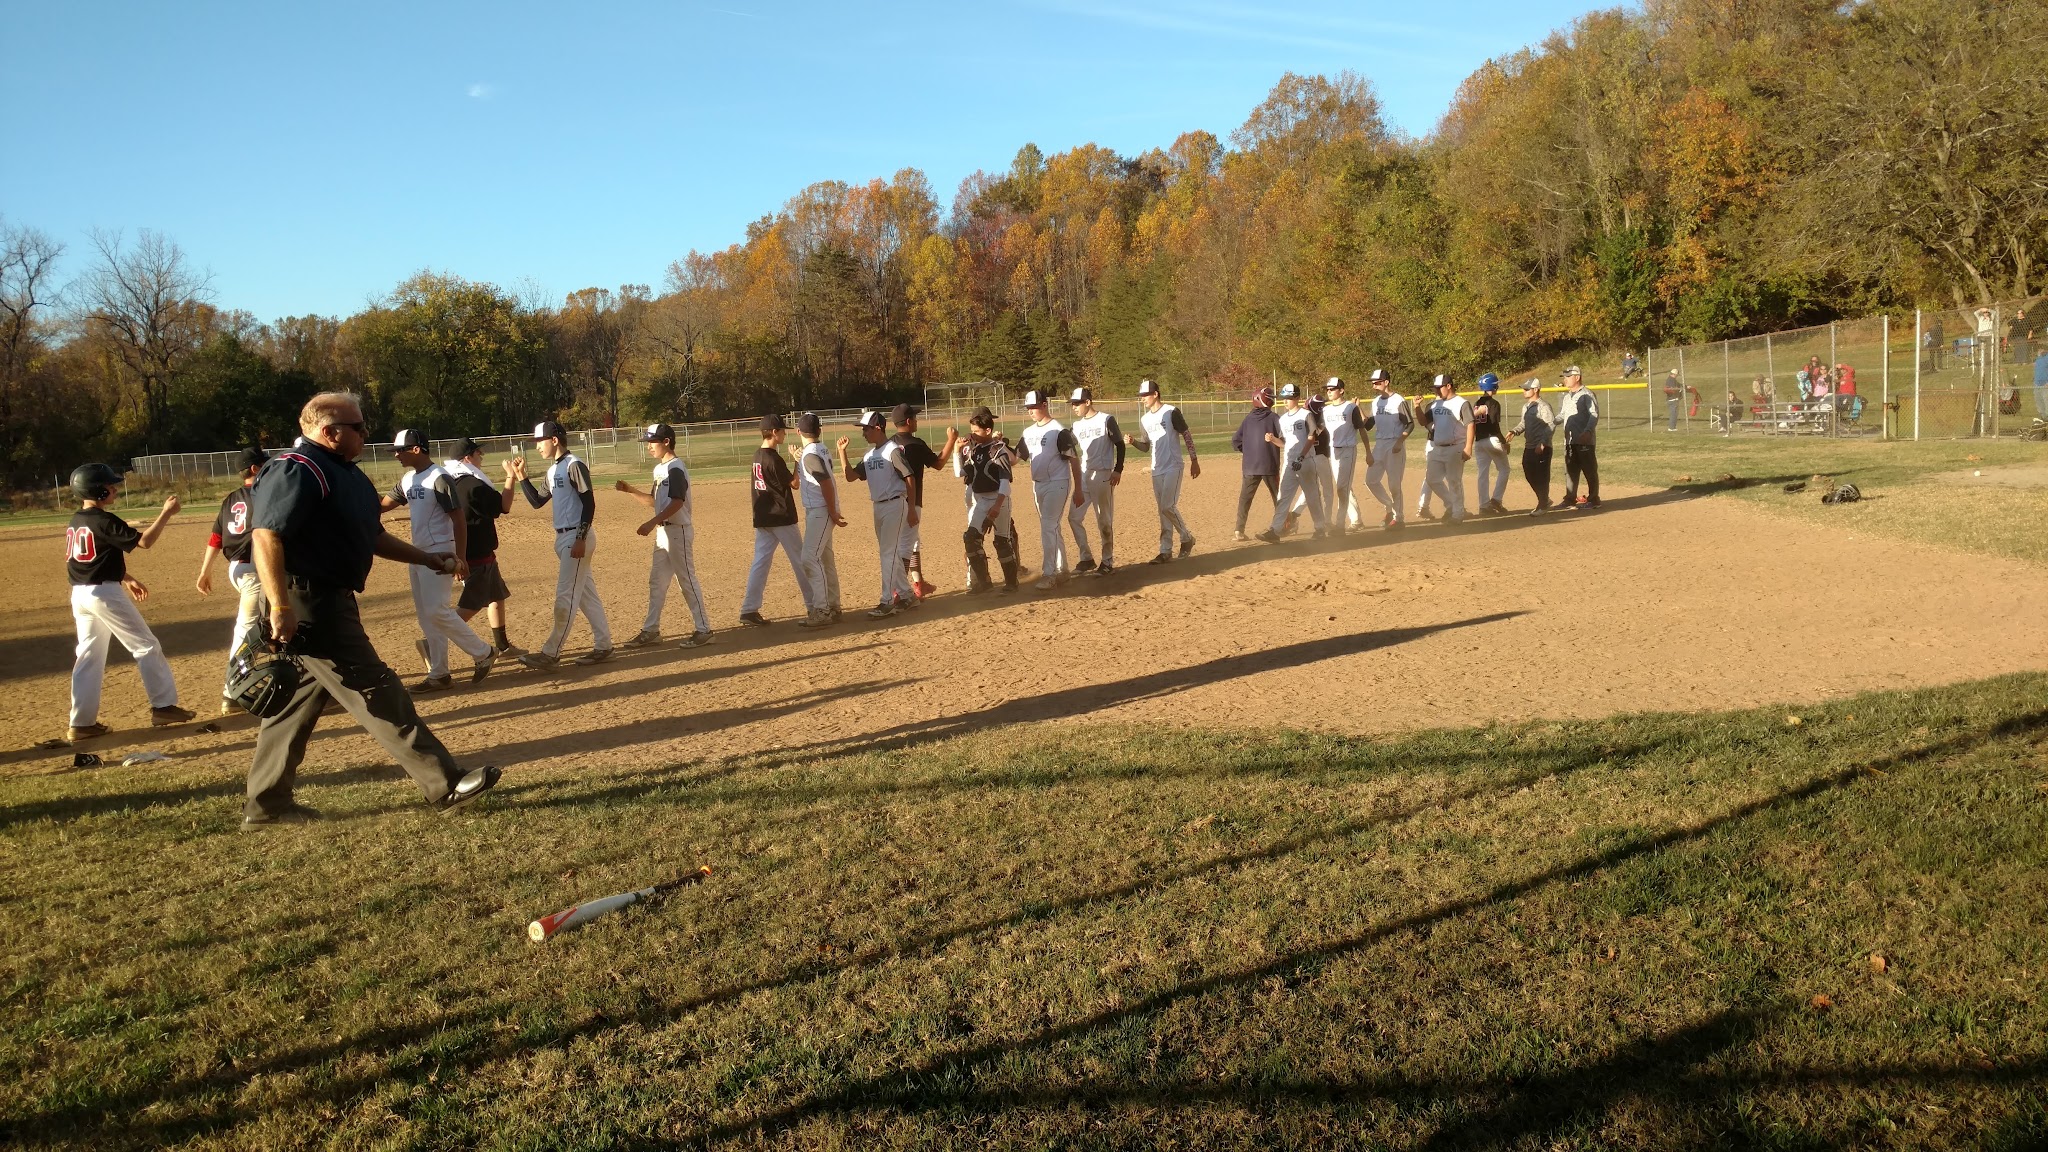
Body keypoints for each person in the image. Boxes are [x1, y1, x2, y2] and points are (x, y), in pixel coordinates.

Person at [243, 391, 499, 828]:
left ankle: (266, 806)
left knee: (293, 706)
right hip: (309, 601)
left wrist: (426, 558)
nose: (366, 433)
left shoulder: (344, 474)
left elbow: (373, 537)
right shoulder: (298, 469)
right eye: (358, 427)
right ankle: (444, 783)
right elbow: (267, 536)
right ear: (329, 432)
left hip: (329, 597)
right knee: (377, 689)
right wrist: (281, 605)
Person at [63, 464, 191, 741]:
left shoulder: (77, 520)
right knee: (146, 645)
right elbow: (144, 542)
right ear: (98, 490)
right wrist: (166, 513)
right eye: (110, 485)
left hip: (81, 595)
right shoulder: (103, 520)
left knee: (88, 656)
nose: (115, 489)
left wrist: (127, 577)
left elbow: (96, 558)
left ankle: (82, 723)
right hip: (105, 595)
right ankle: (164, 706)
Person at [379, 429, 495, 691]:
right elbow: (383, 504)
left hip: (441, 552)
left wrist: (461, 557)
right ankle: (439, 674)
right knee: (426, 617)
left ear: (417, 449)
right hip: (417, 553)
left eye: (401, 450)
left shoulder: (439, 477)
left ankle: (483, 652)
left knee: (436, 611)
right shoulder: (409, 479)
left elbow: (458, 518)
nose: (396, 455)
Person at [512, 421, 613, 668]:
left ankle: (551, 653)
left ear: (554, 440)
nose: (537, 447)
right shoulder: (552, 471)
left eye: (540, 441)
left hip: (576, 539)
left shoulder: (573, 465)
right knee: (587, 596)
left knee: (564, 597)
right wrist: (522, 477)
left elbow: (589, 503)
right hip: (563, 538)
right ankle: (604, 645)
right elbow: (537, 501)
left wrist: (580, 537)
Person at [615, 422, 717, 648]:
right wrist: (630, 490)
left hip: (678, 531)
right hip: (664, 532)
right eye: (648, 443)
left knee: (687, 580)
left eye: (652, 442)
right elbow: (654, 502)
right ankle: (651, 630)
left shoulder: (676, 468)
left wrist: (653, 522)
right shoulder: (659, 469)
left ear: (666, 442)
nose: (649, 447)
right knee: (657, 582)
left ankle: (704, 629)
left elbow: (677, 503)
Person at [195, 446, 268, 713]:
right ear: (254, 469)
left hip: (238, 568)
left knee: (273, 620)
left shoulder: (230, 499)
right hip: (254, 571)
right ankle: (233, 691)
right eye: (265, 464)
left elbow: (216, 537)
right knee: (248, 629)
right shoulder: (263, 494)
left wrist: (205, 571)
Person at [739, 412, 826, 627]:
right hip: (781, 516)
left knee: (760, 562)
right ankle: (813, 605)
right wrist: (797, 462)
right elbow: (795, 483)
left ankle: (749, 609)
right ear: (774, 432)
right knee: (801, 560)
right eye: (782, 431)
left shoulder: (757, 456)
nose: (784, 434)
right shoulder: (773, 458)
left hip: (763, 516)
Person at [443, 439, 523, 658]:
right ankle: (433, 642)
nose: (482, 457)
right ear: (467, 458)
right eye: (479, 453)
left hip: (473, 550)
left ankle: (503, 646)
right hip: (477, 554)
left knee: (496, 596)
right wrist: (510, 476)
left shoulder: (451, 481)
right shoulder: (473, 485)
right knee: (472, 604)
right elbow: (504, 506)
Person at [839, 409, 915, 616]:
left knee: (887, 553)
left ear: (878, 427)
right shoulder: (869, 455)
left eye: (866, 429)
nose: (863, 433)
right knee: (890, 553)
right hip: (878, 506)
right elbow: (851, 477)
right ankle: (907, 594)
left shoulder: (893, 450)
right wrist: (842, 453)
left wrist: (912, 509)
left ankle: (887, 600)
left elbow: (909, 477)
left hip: (895, 504)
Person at [1123, 378, 1199, 562]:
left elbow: (1186, 434)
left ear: (1155, 394)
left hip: (1173, 465)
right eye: (1141, 396)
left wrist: (1194, 460)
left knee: (1167, 506)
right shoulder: (1144, 419)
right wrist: (1133, 443)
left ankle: (1187, 538)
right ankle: (1165, 550)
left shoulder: (1171, 412)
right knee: (1162, 510)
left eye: (1145, 395)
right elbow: (1146, 447)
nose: (1142, 399)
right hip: (1156, 469)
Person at [1016, 389, 1083, 590]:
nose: (1031, 411)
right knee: (1052, 527)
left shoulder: (1058, 430)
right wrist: (999, 446)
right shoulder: (1028, 433)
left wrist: (1078, 489)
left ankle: (1049, 574)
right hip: (1038, 484)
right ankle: (1063, 570)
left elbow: (1074, 460)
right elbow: (1014, 459)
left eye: (1035, 407)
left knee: (1048, 526)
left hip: (1058, 482)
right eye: (1028, 408)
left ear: (1045, 405)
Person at [890, 403, 953, 599]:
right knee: (906, 547)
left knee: (911, 543)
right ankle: (897, 591)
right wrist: (951, 440)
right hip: (912, 502)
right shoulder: (916, 444)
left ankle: (919, 584)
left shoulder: (888, 444)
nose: (917, 421)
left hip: (891, 503)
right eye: (915, 418)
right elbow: (939, 464)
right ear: (908, 422)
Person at [957, 405, 1021, 592]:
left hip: (998, 499)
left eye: (976, 431)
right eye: (972, 431)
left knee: (1001, 540)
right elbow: (959, 472)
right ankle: (984, 582)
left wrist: (996, 507)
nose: (973, 435)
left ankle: (1011, 582)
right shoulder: (975, 450)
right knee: (970, 538)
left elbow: (1005, 483)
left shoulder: (997, 450)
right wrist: (956, 450)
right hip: (981, 500)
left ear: (988, 430)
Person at [789, 413, 845, 623]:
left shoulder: (809, 455)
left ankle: (822, 610)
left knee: (809, 558)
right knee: (825, 559)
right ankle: (833, 605)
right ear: (819, 430)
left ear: (798, 432)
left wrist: (832, 511)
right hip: (823, 510)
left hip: (821, 510)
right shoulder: (819, 449)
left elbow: (826, 484)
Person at [1063, 387, 1124, 576]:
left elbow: (1120, 445)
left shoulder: (1106, 419)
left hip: (1103, 475)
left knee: (1104, 521)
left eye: (1077, 403)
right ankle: (1086, 558)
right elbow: (1067, 447)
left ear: (1088, 402)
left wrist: (1118, 470)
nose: (1074, 407)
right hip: (1084, 475)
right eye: (1072, 404)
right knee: (1074, 517)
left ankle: (1107, 561)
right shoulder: (1077, 425)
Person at [1256, 383, 1327, 542]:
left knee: (1312, 497)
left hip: (1306, 461)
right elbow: (1285, 443)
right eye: (1283, 398)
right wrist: (1273, 439)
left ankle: (1320, 528)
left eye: (1288, 398)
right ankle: (1275, 530)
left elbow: (1311, 437)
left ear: (1296, 398)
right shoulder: (1282, 419)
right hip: (1289, 463)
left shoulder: (1305, 414)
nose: (1285, 401)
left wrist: (1301, 457)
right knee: (1283, 497)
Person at [1417, 374, 1473, 523]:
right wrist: (1417, 407)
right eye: (1435, 388)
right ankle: (1452, 505)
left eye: (1439, 387)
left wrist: (1468, 447)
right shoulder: (1436, 404)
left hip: (1455, 447)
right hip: (1437, 447)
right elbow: (1423, 422)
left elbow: (1470, 424)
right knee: (1432, 479)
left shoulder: (1461, 403)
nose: (1436, 391)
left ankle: (1458, 514)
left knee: (1454, 481)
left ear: (1449, 386)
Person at [1363, 368, 1413, 530]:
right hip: (1380, 444)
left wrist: (1400, 441)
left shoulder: (1398, 400)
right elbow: (1369, 425)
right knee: (1371, 480)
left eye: (1377, 383)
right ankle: (1390, 507)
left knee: (1394, 484)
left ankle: (1399, 518)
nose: (1374, 386)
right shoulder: (1376, 402)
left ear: (1386, 382)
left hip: (1394, 445)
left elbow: (1410, 424)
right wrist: (1358, 409)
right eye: (1373, 383)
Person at [1230, 386, 1280, 540]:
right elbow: (1285, 438)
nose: (1272, 399)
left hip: (1250, 466)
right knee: (1279, 497)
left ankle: (1239, 531)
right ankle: (1283, 525)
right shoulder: (1274, 418)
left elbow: (1235, 441)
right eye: (1270, 397)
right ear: (1265, 400)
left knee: (1245, 498)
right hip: (1269, 465)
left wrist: (1250, 451)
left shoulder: (1248, 419)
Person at [1320, 376, 1365, 531]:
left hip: (1348, 450)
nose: (1329, 391)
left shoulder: (1351, 408)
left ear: (1341, 391)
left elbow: (1361, 429)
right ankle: (1357, 519)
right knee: (1344, 486)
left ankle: (1339, 524)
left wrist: (1368, 451)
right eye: (1327, 389)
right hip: (1333, 451)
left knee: (1341, 487)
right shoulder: (1325, 409)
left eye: (1332, 389)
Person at [1508, 380, 1555, 514]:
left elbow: (1550, 425)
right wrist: (1514, 431)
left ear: (1536, 389)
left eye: (1527, 389)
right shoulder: (1526, 406)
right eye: (1523, 389)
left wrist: (1543, 442)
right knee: (1529, 473)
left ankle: (1542, 504)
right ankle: (1544, 499)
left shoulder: (1543, 406)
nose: (1524, 391)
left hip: (1542, 447)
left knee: (1542, 476)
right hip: (1529, 446)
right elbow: (1523, 423)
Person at [1558, 366, 1600, 509]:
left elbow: (1593, 414)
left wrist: (1588, 431)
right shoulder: (1566, 396)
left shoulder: (1587, 394)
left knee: (1589, 470)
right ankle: (1570, 499)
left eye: (1568, 377)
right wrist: (1550, 422)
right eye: (1564, 377)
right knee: (1570, 471)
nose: (1565, 379)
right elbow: (1563, 415)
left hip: (1584, 440)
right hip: (1569, 441)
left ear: (1577, 377)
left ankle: (1594, 499)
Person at [1470, 373, 1510, 514]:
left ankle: (1483, 505)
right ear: (1492, 386)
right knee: (1504, 469)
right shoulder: (1493, 404)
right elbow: (1494, 425)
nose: (1497, 386)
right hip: (1492, 440)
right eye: (1496, 384)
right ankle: (1496, 500)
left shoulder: (1476, 403)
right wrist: (1504, 442)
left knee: (1482, 473)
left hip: (1479, 442)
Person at [2036, 347, 2048, 420]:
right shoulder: (2038, 359)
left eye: (2041, 349)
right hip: (2037, 384)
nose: (2040, 351)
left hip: (2045, 384)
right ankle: (2043, 418)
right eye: (2039, 350)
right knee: (2039, 400)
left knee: (2046, 400)